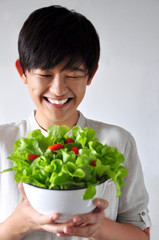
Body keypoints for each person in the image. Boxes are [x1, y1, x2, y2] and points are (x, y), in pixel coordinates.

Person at [0, 5, 151, 240]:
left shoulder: (118, 141)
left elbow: (141, 234)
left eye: (73, 74)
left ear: (91, 74)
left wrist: (100, 227)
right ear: (23, 71)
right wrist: (19, 224)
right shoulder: (2, 142)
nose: (58, 89)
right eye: (45, 74)